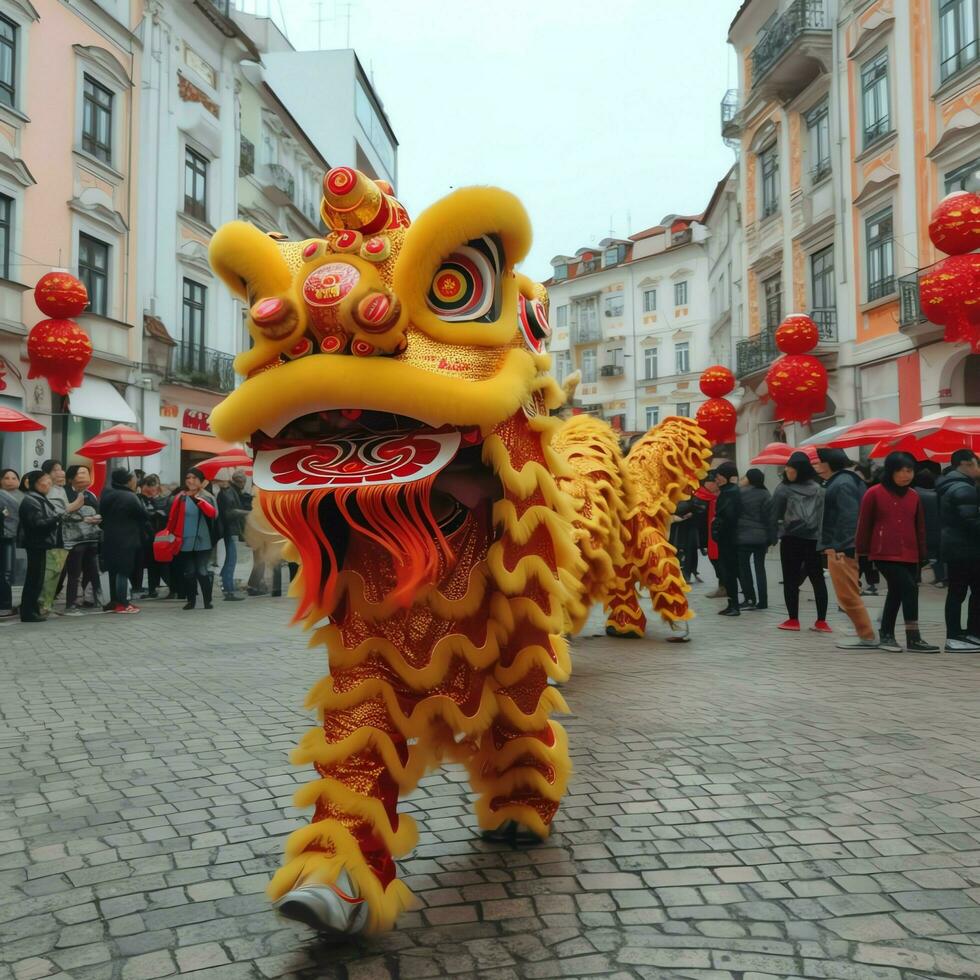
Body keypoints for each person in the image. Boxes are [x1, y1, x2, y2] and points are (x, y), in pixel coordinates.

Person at [855, 451, 939, 653]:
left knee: (896, 592)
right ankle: (913, 637)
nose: (906, 475)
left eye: (909, 470)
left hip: (910, 553)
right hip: (883, 552)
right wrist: (863, 557)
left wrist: (922, 555)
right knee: (909, 589)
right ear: (891, 471)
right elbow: (864, 525)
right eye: (901, 470)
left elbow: (919, 527)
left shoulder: (914, 496)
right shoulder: (874, 493)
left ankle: (886, 635)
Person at [815, 449, 876, 650]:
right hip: (842, 545)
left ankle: (867, 635)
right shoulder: (844, 481)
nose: (817, 466)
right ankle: (866, 633)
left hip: (842, 548)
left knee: (848, 594)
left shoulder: (842, 484)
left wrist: (842, 546)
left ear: (828, 464)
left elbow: (849, 517)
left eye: (820, 462)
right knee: (847, 594)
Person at [770, 451, 829, 633]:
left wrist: (776, 533)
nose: (787, 470)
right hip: (813, 539)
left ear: (799, 470)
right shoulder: (819, 489)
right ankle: (821, 621)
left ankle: (793, 619)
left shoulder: (783, 489)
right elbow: (824, 516)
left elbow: (774, 514)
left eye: (790, 467)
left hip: (791, 539)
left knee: (790, 579)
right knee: (817, 578)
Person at [935, 448, 980, 652]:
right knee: (967, 592)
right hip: (967, 549)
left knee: (957, 592)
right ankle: (962, 635)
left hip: (956, 548)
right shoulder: (964, 489)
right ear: (966, 464)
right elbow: (972, 522)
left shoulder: (949, 484)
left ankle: (961, 634)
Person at [18, 470, 74, 622]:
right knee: (34, 579)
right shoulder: (31, 500)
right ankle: (28, 613)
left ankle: (32, 610)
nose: (48, 484)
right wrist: (59, 516)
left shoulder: (40, 499)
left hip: (40, 544)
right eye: (45, 480)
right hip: (35, 543)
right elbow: (37, 524)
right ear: (35, 483)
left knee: (37, 578)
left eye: (49, 481)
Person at [99, 468, 150, 614]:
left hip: (110, 537)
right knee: (123, 570)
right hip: (127, 538)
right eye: (133, 478)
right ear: (128, 481)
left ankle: (114, 601)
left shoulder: (107, 493)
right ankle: (122, 602)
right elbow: (144, 515)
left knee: (113, 570)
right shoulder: (130, 496)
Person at [168, 466, 219, 610]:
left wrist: (198, 500)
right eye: (188, 478)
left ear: (201, 481)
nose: (190, 480)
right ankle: (191, 601)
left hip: (204, 540)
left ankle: (207, 601)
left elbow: (214, 515)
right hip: (185, 540)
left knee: (202, 570)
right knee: (189, 572)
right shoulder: (181, 497)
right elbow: (173, 516)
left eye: (194, 478)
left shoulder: (207, 496)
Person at [38, 459, 84, 614]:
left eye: (61, 469)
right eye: (55, 470)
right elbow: (58, 512)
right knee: (51, 571)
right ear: (47, 474)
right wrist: (76, 504)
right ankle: (44, 604)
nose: (61, 472)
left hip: (62, 535)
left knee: (55, 571)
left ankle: (46, 603)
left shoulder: (60, 489)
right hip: (52, 536)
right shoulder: (49, 490)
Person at [62, 464, 103, 612]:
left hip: (91, 538)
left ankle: (94, 599)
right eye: (80, 473)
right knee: (74, 572)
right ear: (71, 477)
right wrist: (82, 518)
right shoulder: (65, 493)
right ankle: (71, 602)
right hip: (75, 538)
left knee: (92, 570)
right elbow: (64, 513)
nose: (84, 476)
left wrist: (97, 517)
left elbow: (99, 511)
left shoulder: (90, 494)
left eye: (86, 473)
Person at [736, 468, 772, 611]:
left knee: (744, 568)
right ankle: (763, 601)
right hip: (761, 538)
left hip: (743, 537)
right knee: (760, 569)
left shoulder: (741, 493)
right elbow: (769, 516)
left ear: (750, 479)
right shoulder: (766, 494)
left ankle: (749, 598)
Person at [712, 461, 742, 616]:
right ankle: (732, 604)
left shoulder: (730, 492)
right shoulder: (729, 491)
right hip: (728, 538)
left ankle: (734, 605)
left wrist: (716, 523)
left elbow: (729, 516)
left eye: (718, 476)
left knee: (729, 571)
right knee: (729, 571)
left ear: (725, 477)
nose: (716, 479)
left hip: (729, 538)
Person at [133, 475, 170, 599]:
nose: (156, 490)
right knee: (140, 564)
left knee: (154, 564)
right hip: (142, 537)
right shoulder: (138, 499)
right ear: (145, 487)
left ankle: (152, 588)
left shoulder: (157, 499)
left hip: (155, 537)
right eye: (153, 487)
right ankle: (138, 588)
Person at [216, 472, 249, 601]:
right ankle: (228, 590)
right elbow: (230, 512)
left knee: (230, 560)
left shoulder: (229, 491)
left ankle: (226, 586)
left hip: (231, 530)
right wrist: (247, 513)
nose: (243, 482)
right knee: (231, 561)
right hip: (229, 530)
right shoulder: (225, 493)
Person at [912, 469, 944, 587]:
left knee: (917, 555)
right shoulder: (938, 494)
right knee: (936, 556)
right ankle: (940, 578)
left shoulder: (913, 494)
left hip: (918, 529)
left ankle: (917, 578)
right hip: (937, 528)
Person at [694, 472, 722, 596]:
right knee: (715, 560)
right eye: (714, 482)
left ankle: (724, 586)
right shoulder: (699, 497)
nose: (716, 484)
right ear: (707, 483)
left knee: (718, 560)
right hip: (703, 534)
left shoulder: (718, 497)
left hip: (713, 535)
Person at [0, 467, 23, 617]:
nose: (10, 481)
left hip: (11, 537)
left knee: (7, 572)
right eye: (6, 478)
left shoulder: (22, 496)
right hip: (4, 536)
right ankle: (4, 606)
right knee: (5, 573)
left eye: (14, 478)